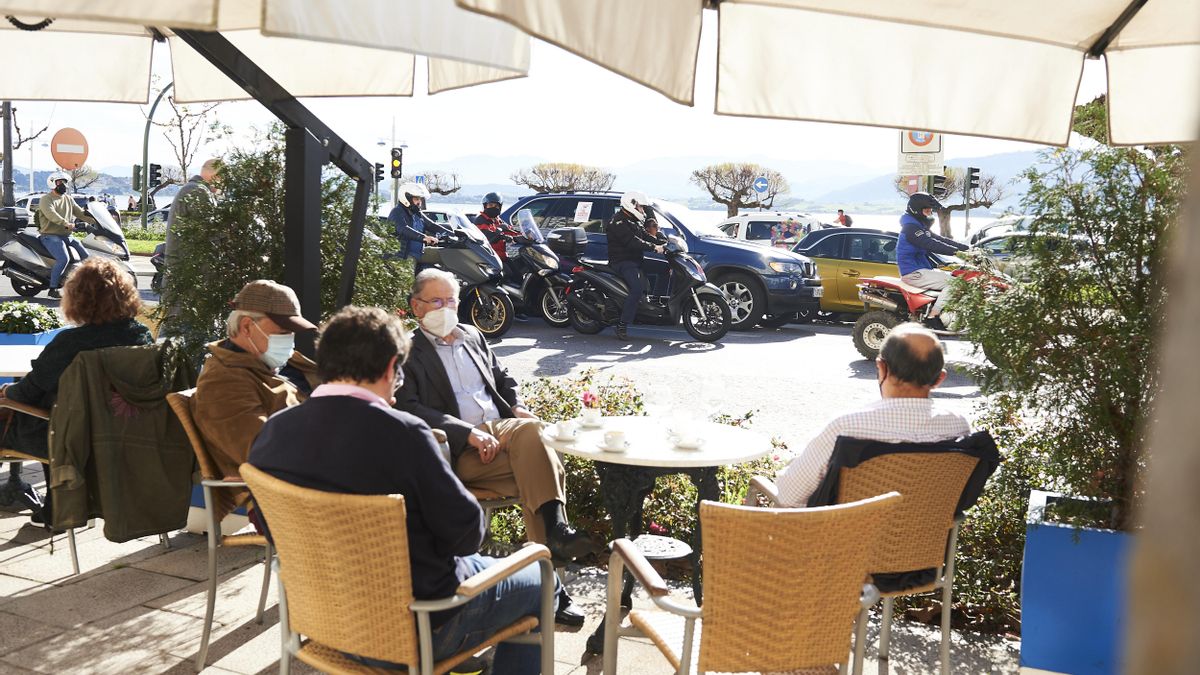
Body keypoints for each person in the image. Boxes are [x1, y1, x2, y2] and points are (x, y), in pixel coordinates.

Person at [250, 306, 547, 674]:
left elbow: (268, 524)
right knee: (541, 577)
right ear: (391, 368)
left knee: (490, 567)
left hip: (323, 620)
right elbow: (467, 534)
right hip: (418, 625)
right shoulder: (404, 433)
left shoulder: (273, 433)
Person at [396, 268, 593, 625]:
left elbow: (503, 379)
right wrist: (467, 434)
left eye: (451, 300)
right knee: (538, 447)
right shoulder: (407, 350)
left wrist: (515, 405)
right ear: (416, 306)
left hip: (503, 442)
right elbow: (408, 408)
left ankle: (549, 587)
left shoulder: (472, 335)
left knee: (535, 467)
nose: (445, 307)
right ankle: (556, 542)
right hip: (459, 454)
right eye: (436, 301)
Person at [0, 258, 153, 524]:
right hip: (121, 430)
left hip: (67, 437)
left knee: (41, 412)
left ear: (77, 298)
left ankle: (56, 506)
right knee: (60, 409)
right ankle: (56, 506)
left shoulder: (70, 344)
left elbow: (29, 392)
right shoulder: (140, 336)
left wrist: (7, 392)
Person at [774, 323, 970, 506]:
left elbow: (788, 496)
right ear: (939, 379)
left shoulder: (848, 427)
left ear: (881, 367)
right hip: (925, 541)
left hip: (842, 540)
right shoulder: (958, 428)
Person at [191, 280, 319, 523]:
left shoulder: (269, 362)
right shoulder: (224, 381)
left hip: (312, 474)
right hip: (285, 493)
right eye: (283, 332)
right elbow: (262, 450)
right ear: (247, 326)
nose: (290, 340)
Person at [895, 192, 968, 320]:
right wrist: (957, 253)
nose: (929, 213)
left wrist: (967, 249)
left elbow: (940, 239)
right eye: (927, 210)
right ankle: (933, 317)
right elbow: (931, 244)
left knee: (955, 275)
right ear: (917, 210)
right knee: (954, 284)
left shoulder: (918, 226)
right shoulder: (911, 229)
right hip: (913, 273)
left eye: (930, 211)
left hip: (921, 270)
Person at [606, 191, 665, 340]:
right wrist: (653, 248)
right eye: (641, 207)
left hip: (635, 260)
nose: (643, 211)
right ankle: (622, 325)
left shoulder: (632, 219)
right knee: (637, 289)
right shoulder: (617, 221)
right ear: (632, 204)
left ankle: (655, 302)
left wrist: (663, 243)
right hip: (622, 262)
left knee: (664, 268)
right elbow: (632, 242)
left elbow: (644, 236)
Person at [163, 159, 219, 312]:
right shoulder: (199, 192)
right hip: (189, 281)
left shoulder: (192, 189)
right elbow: (210, 232)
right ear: (216, 176)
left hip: (182, 279)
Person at [35, 171, 95, 298]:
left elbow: (80, 213)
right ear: (52, 184)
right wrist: (66, 223)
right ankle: (53, 288)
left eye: (64, 182)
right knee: (63, 258)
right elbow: (51, 214)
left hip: (66, 235)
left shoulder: (68, 198)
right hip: (50, 235)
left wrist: (95, 221)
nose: (63, 185)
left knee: (86, 256)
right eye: (59, 182)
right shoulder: (46, 199)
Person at [388, 182, 446, 267]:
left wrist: (454, 233)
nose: (419, 202)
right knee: (409, 278)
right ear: (406, 198)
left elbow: (432, 226)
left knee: (446, 255)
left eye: (420, 199)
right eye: (416, 199)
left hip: (420, 252)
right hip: (405, 255)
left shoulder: (417, 214)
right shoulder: (397, 212)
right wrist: (424, 237)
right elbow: (403, 229)